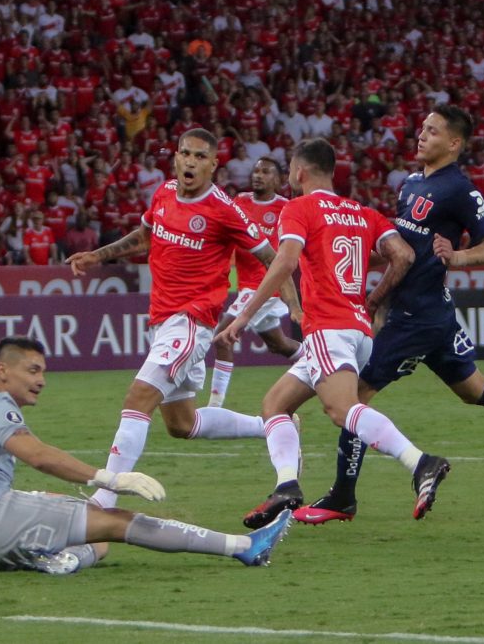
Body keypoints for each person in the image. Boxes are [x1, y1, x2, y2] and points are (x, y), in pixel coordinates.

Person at [294, 106, 484, 525]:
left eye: (433, 131)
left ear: (453, 143)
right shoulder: (412, 183)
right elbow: (406, 252)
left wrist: (456, 256)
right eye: (422, 128)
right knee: (474, 389)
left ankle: (343, 498)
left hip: (416, 317)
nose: (422, 135)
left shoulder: (459, 188)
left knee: (355, 399)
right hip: (427, 312)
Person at [0, 336, 292, 574]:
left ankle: (62, 559)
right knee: (113, 520)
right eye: (33, 371)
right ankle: (244, 547)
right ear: (3, 371)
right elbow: (36, 455)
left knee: (94, 537)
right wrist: (110, 478)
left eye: (43, 372)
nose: (41, 381)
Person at [218, 137, 451, 529]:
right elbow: (404, 255)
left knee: (340, 409)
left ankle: (420, 462)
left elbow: (284, 262)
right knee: (275, 405)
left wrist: (242, 318)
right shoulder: (361, 213)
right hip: (357, 330)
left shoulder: (299, 207)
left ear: (299, 172)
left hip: (328, 327)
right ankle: (286, 487)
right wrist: (373, 300)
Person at [67, 129, 300, 510]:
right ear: (175, 157)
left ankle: (103, 498)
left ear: (213, 164)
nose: (190, 161)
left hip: (191, 322)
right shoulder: (164, 193)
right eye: (185, 154)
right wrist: (99, 255)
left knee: (138, 396)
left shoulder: (225, 209)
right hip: (162, 319)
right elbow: (145, 235)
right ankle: (273, 425)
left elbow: (273, 258)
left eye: (199, 156)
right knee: (181, 424)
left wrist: (294, 306)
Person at [208, 157, 303, 408]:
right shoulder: (240, 202)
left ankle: (215, 407)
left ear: (279, 179)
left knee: (221, 337)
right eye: (256, 170)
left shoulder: (286, 208)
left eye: (265, 171)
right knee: (279, 344)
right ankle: (322, 365)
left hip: (267, 288)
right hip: (247, 287)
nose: (258, 175)